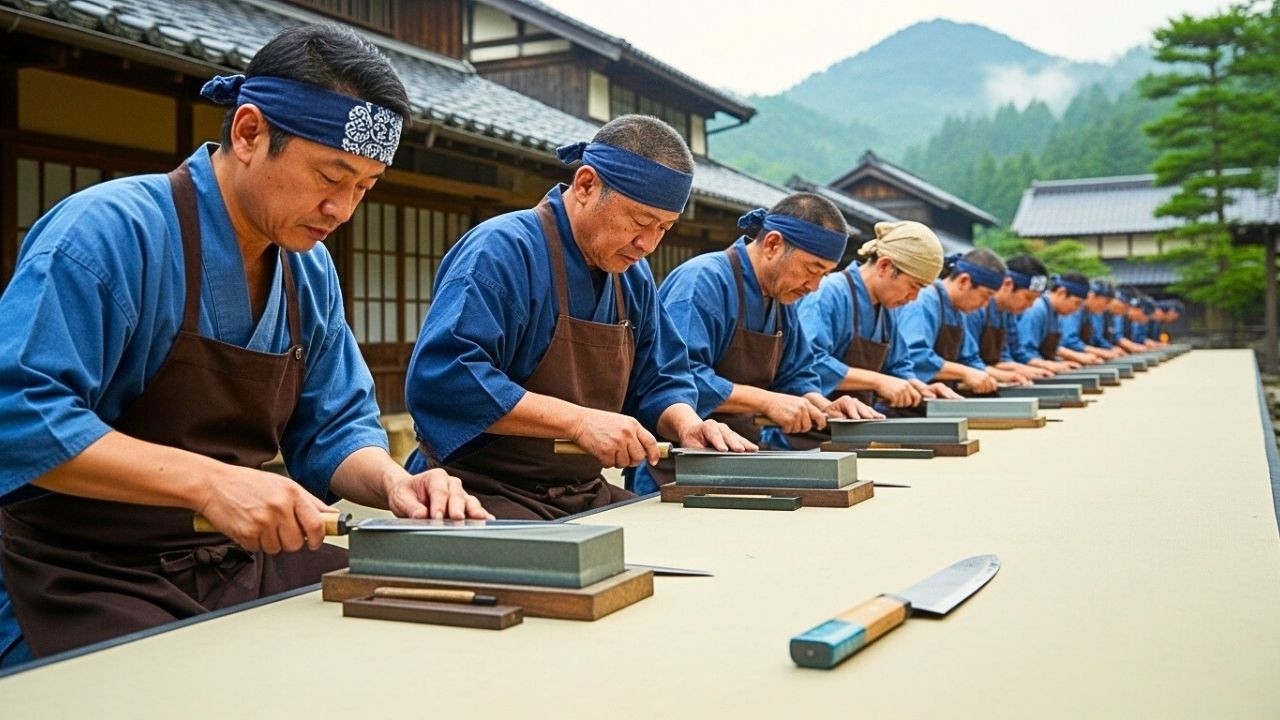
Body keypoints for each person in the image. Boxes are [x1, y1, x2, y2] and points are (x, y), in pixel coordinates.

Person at [0, 24, 488, 667]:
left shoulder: (307, 270)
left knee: (424, 626)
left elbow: (335, 428)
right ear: (250, 132)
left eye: (365, 188)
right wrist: (208, 485)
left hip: (235, 560)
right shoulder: (109, 232)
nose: (342, 209)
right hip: (81, 571)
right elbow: (20, 417)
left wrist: (396, 485)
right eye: (330, 175)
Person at [403, 115, 753, 518]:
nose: (648, 244)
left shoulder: (632, 276)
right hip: (478, 490)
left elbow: (660, 378)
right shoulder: (502, 250)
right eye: (640, 222)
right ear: (587, 185)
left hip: (582, 492)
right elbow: (446, 378)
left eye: (664, 228)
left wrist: (687, 424)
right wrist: (577, 422)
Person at [630, 193, 882, 491]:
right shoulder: (704, 280)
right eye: (811, 270)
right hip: (677, 465)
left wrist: (820, 404)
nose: (814, 287)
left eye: (823, 275)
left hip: (742, 457)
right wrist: (767, 400)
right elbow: (677, 378)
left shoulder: (780, 299)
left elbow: (796, 374)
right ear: (773, 244)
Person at [798, 220, 945, 411]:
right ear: (884, 266)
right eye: (914, 286)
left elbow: (897, 365)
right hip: (806, 431)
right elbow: (810, 365)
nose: (914, 298)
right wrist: (877, 381)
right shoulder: (828, 293)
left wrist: (916, 385)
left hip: (856, 425)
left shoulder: (886, 309)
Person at [896, 249, 1006, 395]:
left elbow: (970, 359)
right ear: (964, 281)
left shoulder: (958, 311)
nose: (986, 305)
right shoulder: (923, 302)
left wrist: (987, 376)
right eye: (986, 295)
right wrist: (965, 373)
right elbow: (915, 356)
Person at [963, 254, 1054, 382]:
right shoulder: (976, 308)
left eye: (1035, 299)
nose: (1031, 305)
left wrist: (1023, 369)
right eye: (1028, 298)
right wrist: (1013, 373)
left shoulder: (1007, 313)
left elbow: (1006, 356)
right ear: (1008, 284)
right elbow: (968, 361)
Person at [1016, 273, 1094, 367]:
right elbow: (1026, 352)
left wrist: (1059, 362)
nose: (1076, 310)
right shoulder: (1037, 309)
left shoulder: (1057, 314)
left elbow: (1052, 349)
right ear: (1062, 292)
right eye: (1077, 303)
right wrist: (1050, 365)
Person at [1060, 280, 1124, 361]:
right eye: (1106, 302)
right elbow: (1069, 340)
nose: (1107, 307)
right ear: (1092, 296)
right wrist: (1100, 352)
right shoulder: (1075, 309)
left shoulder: (1090, 313)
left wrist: (1109, 348)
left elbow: (1096, 337)